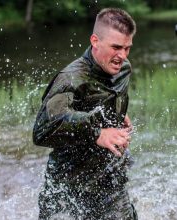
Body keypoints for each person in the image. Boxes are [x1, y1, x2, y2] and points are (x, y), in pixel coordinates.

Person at [33, 8, 138, 220]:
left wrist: (117, 115)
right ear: (95, 41)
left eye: (127, 48)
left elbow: (103, 98)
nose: (123, 56)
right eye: (116, 47)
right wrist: (97, 132)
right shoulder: (71, 79)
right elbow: (43, 129)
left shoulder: (123, 69)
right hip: (67, 185)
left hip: (109, 177)